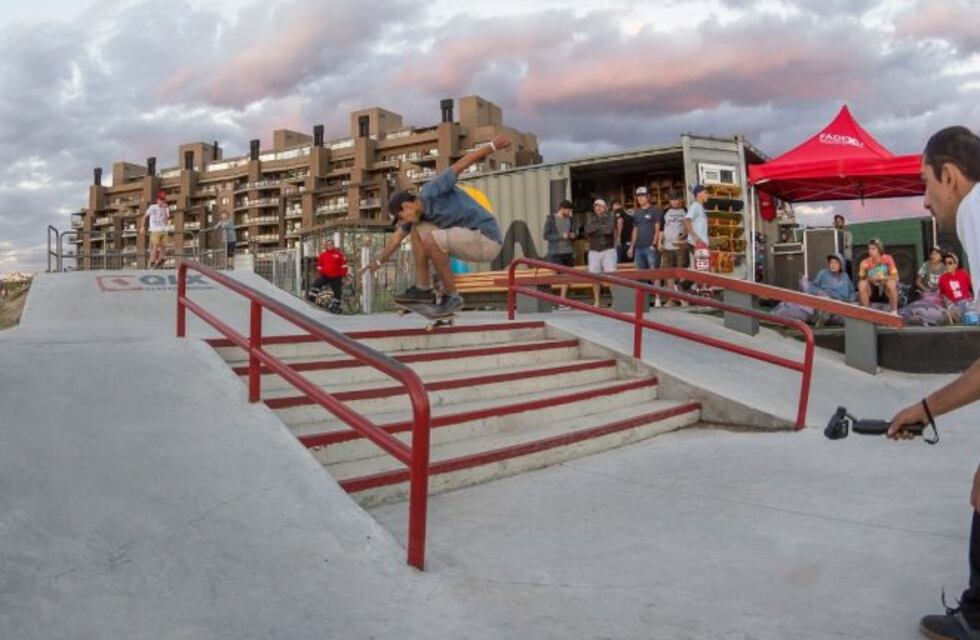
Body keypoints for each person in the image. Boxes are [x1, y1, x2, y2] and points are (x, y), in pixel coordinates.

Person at [886, 125, 980, 640]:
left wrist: (925, 408)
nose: (924, 199)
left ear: (950, 176)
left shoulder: (976, 211)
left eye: (925, 182)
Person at [366, 135, 509, 315]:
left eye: (402, 217)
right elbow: (396, 239)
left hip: (486, 238)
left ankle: (453, 297)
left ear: (407, 206)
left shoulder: (431, 190)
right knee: (417, 231)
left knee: (430, 238)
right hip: (468, 238)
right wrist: (378, 261)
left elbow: (461, 165)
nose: (404, 222)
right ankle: (423, 288)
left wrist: (492, 146)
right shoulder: (418, 218)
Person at [627, 186, 664, 306]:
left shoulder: (655, 210)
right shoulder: (637, 212)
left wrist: (654, 243)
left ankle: (657, 298)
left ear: (648, 197)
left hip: (650, 246)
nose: (640, 198)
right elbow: (635, 230)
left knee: (654, 273)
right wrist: (631, 247)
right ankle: (644, 301)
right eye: (638, 196)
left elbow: (658, 228)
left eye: (642, 195)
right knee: (641, 275)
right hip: (638, 247)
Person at [659, 191, 689, 306]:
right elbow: (662, 229)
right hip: (667, 246)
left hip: (681, 246)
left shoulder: (686, 211)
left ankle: (683, 298)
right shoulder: (665, 211)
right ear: (669, 201)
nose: (675, 201)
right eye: (672, 199)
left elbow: (689, 227)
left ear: (680, 199)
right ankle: (672, 299)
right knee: (669, 273)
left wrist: (685, 234)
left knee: (682, 273)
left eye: (676, 199)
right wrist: (659, 242)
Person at [585, 198, 617, 306]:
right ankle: (597, 301)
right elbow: (587, 230)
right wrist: (601, 227)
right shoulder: (590, 219)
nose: (598, 208)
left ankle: (615, 301)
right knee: (594, 277)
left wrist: (595, 229)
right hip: (594, 251)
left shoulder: (610, 217)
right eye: (596, 206)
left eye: (600, 206)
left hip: (608, 250)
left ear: (605, 208)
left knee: (611, 276)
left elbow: (609, 230)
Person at [543, 199, 576, 303]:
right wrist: (562, 236)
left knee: (567, 275)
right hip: (556, 252)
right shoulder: (551, 219)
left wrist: (573, 235)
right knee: (562, 275)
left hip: (569, 251)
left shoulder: (570, 219)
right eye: (568, 210)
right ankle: (562, 300)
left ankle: (562, 299)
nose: (569, 212)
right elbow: (546, 236)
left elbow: (573, 232)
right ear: (562, 208)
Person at [857, 238, 900, 314]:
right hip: (872, 290)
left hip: (885, 290)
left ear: (880, 249)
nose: (870, 251)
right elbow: (861, 279)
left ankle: (894, 312)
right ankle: (867, 312)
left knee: (891, 283)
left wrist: (881, 278)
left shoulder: (888, 258)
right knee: (862, 284)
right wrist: (868, 279)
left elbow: (895, 276)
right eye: (869, 248)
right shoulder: (864, 262)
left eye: (873, 248)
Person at [308, 237, 349, 314]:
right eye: (328, 245)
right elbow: (319, 266)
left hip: (336, 276)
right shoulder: (323, 255)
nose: (330, 246)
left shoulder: (339, 254)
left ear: (333, 245)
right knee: (316, 284)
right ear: (326, 246)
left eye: (331, 244)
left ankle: (334, 306)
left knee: (337, 292)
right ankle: (311, 298)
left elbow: (344, 266)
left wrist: (342, 275)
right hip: (326, 275)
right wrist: (322, 271)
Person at [683, 184, 711, 277]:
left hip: (701, 243)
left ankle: (685, 284)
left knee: (703, 269)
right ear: (699, 194)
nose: (708, 195)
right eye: (705, 193)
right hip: (698, 243)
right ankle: (686, 284)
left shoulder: (700, 207)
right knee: (703, 270)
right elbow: (686, 220)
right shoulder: (695, 206)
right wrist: (696, 238)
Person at [940, 251, 975, 322]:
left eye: (950, 263)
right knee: (956, 313)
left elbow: (972, 287)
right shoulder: (942, 278)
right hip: (954, 305)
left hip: (967, 302)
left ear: (955, 265)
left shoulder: (963, 273)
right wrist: (950, 305)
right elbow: (943, 295)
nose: (947, 265)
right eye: (945, 263)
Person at [141, 190, 170, 269]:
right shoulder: (152, 207)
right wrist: (142, 227)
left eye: (163, 200)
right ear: (157, 200)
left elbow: (166, 221)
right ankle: (152, 262)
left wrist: (164, 210)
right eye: (160, 200)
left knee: (164, 247)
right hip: (155, 230)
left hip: (164, 230)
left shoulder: (166, 208)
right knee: (155, 245)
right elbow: (144, 217)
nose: (161, 202)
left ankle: (159, 262)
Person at [613, 199, 634, 264]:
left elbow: (620, 221)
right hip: (630, 241)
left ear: (615, 205)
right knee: (630, 262)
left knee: (619, 263)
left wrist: (618, 237)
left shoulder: (618, 211)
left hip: (622, 241)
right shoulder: (628, 212)